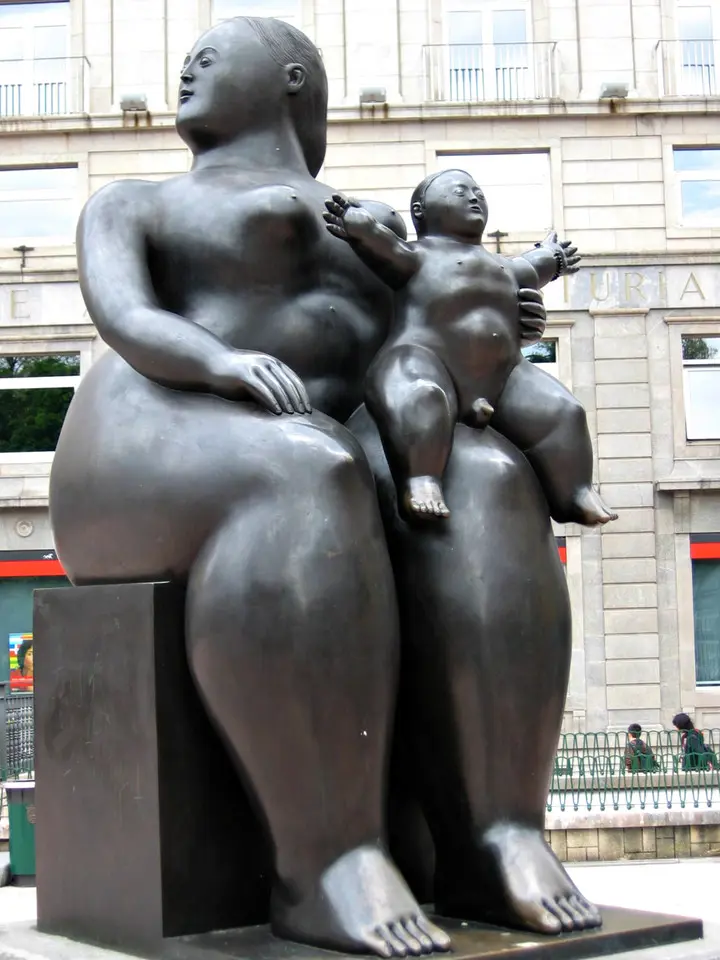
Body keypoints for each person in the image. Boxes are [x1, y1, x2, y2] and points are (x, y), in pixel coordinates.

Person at [49, 15, 600, 955]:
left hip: (327, 426)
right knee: (308, 473)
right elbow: (125, 315)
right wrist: (221, 363)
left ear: (292, 78)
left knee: (490, 481)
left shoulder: (371, 222)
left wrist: (494, 314)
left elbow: (426, 326)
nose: (187, 70)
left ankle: (496, 837)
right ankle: (326, 862)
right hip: (151, 434)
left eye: (210, 58)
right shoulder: (132, 202)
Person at [324, 184, 617, 524]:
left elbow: (536, 263)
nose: (474, 197)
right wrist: (357, 223)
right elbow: (382, 243)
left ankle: (575, 491)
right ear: (420, 210)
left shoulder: (508, 267)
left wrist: (554, 255)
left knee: (564, 411)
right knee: (418, 397)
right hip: (426, 360)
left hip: (505, 375)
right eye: (460, 191)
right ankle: (421, 480)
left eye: (478, 191)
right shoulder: (416, 256)